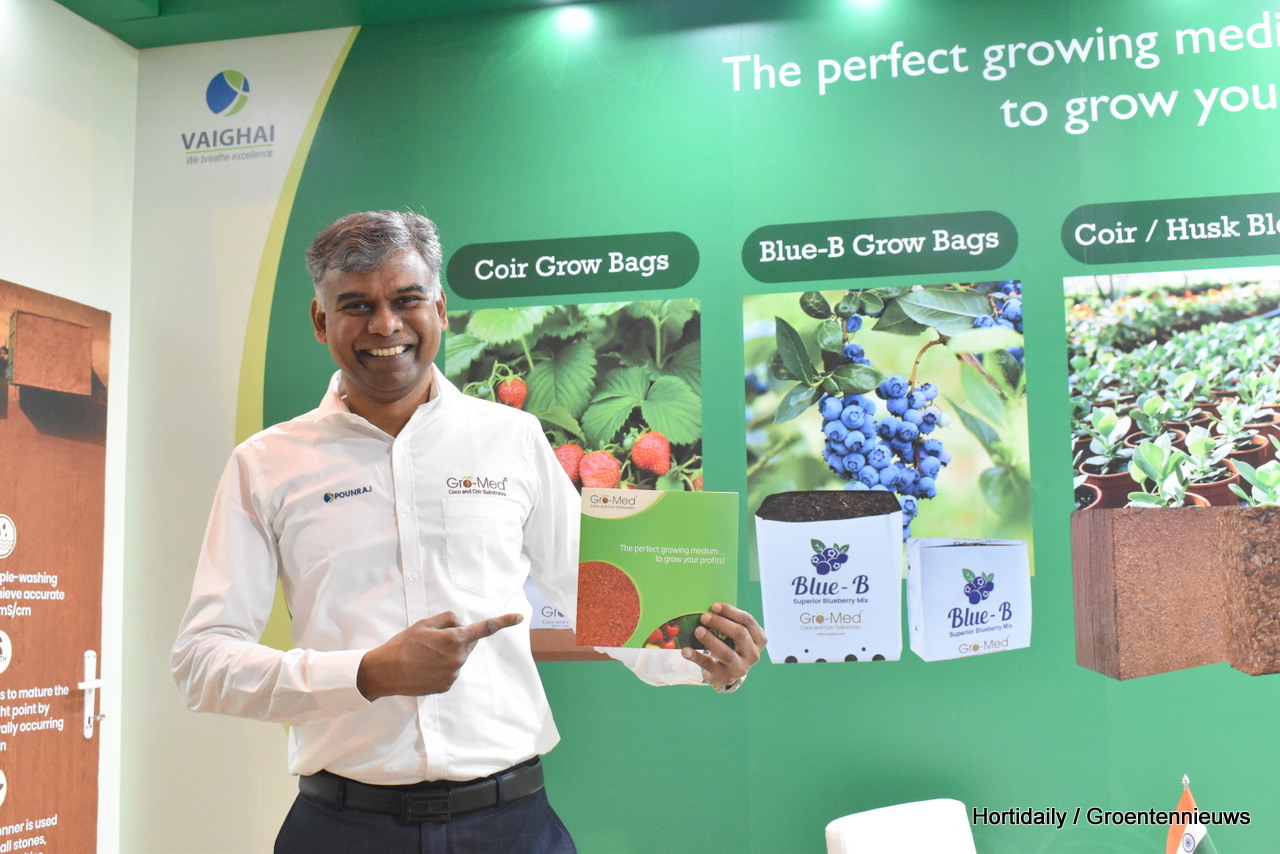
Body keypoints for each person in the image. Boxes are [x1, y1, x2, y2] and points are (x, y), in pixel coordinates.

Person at [171, 210, 766, 853]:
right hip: (342, 828)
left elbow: (600, 595)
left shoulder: (513, 438)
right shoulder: (266, 465)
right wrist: (367, 673)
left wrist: (704, 659)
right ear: (320, 320)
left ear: (440, 308)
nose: (385, 325)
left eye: (406, 299)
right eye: (356, 305)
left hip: (511, 824)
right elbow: (202, 662)